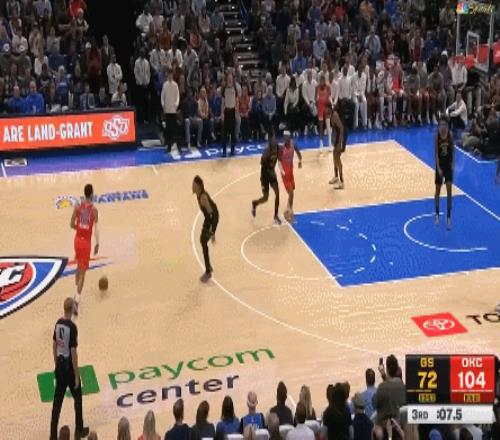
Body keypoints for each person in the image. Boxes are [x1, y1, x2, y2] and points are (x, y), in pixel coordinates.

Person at [50, 298, 89, 440]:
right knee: (77, 398)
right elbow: (73, 352)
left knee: (57, 403)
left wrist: (56, 363)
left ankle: (53, 435)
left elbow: (54, 345)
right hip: (69, 369)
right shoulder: (72, 327)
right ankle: (79, 430)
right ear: (71, 309)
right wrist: (77, 375)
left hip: (60, 367)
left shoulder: (58, 323)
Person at [70, 184, 99, 315]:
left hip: (77, 241)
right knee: (83, 274)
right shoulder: (94, 210)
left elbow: (71, 224)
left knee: (78, 266)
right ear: (91, 194)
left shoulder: (77, 207)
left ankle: (76, 289)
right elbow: (96, 229)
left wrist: (80, 229)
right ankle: (76, 300)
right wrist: (97, 243)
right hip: (86, 243)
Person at [193, 176, 219, 282]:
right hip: (208, 218)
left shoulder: (203, 197)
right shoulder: (199, 195)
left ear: (198, 186)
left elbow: (212, 214)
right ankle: (208, 268)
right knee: (203, 241)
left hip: (212, 218)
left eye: (194, 184)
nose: (192, 186)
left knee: (203, 241)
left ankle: (208, 271)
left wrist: (212, 231)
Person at [251, 137, 281, 225]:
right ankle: (255, 203)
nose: (274, 148)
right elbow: (262, 165)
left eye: (275, 145)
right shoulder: (266, 153)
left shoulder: (278, 149)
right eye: (273, 145)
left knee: (277, 194)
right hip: (265, 176)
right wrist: (269, 170)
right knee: (265, 198)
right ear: (270, 145)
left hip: (272, 175)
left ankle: (275, 216)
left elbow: (279, 159)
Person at [434, 117, 455, 229]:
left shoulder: (450, 135)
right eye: (441, 125)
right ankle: (437, 214)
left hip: (448, 166)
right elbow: (436, 154)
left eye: (444, 125)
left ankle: (449, 217)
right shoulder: (437, 136)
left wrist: (453, 164)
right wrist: (438, 168)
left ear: (447, 126)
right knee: (437, 191)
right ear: (439, 126)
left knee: (449, 192)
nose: (442, 127)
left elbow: (453, 151)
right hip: (440, 166)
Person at [278, 131, 302, 223]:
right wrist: (281, 170)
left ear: (289, 138)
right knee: (291, 192)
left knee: (292, 192)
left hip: (291, 172)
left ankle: (287, 209)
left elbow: (299, 153)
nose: (285, 139)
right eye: (284, 138)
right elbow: (279, 161)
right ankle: (290, 211)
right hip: (285, 174)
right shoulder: (281, 148)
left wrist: (300, 161)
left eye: (286, 137)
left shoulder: (293, 145)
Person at [161, 69, 180, 152]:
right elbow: (162, 97)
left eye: (171, 74)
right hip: (167, 110)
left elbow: (177, 96)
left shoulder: (175, 85)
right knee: (168, 129)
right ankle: (169, 147)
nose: (170, 76)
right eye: (169, 74)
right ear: (167, 75)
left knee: (175, 129)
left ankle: (179, 146)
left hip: (173, 110)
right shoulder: (164, 85)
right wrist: (163, 105)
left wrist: (176, 105)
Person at [221, 72, 238, 157]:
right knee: (224, 133)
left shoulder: (235, 88)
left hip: (232, 111)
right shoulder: (224, 89)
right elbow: (222, 102)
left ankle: (232, 150)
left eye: (231, 78)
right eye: (229, 78)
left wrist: (237, 111)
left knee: (232, 133)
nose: (230, 80)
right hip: (226, 112)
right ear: (227, 79)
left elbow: (236, 100)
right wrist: (222, 113)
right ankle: (224, 151)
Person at [329, 104, 346, 189]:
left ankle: (342, 182)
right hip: (338, 138)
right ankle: (336, 177)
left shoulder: (335, 116)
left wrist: (339, 143)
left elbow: (341, 129)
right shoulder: (331, 115)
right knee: (334, 155)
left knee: (337, 158)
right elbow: (335, 129)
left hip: (341, 138)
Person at [316, 73, 331, 152]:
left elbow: (330, 96)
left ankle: (330, 143)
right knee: (321, 127)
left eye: (323, 80)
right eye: (321, 80)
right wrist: (317, 101)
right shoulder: (317, 87)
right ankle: (321, 144)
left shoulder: (328, 87)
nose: (322, 82)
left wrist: (331, 103)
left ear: (324, 81)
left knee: (328, 126)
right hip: (320, 108)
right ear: (319, 81)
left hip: (326, 107)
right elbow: (315, 98)